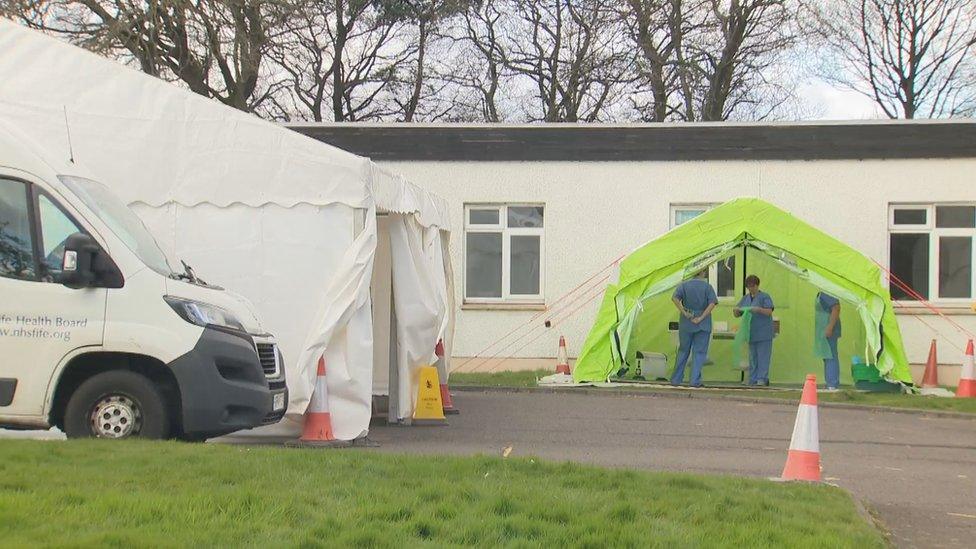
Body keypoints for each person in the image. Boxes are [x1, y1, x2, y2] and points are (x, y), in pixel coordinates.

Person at [670, 269, 718, 387]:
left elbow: (675, 298)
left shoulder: (684, 285)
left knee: (683, 351)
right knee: (699, 352)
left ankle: (676, 379)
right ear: (703, 273)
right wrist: (701, 317)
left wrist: (684, 312)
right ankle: (694, 381)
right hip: (703, 324)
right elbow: (712, 303)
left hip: (687, 322)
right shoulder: (707, 287)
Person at [733, 275, 775, 386]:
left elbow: (769, 312)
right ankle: (753, 378)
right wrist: (736, 310)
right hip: (751, 333)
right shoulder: (746, 298)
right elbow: (737, 313)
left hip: (764, 333)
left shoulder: (764, 297)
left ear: (757, 285)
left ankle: (762, 378)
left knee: (763, 356)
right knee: (753, 358)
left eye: (752, 286)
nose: (750, 289)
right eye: (748, 287)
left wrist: (758, 309)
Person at [815, 291, 842, 391]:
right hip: (823, 328)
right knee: (827, 355)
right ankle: (830, 382)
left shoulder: (827, 292)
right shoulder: (822, 293)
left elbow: (836, 308)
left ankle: (832, 383)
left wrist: (830, 327)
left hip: (828, 329)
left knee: (830, 355)